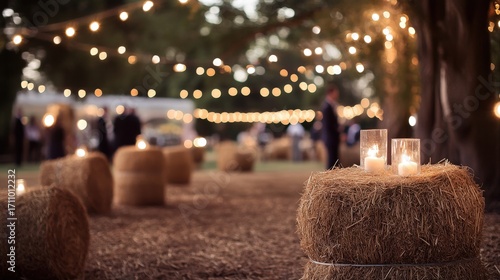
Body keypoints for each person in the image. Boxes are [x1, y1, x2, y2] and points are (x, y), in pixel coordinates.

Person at [321, 83, 341, 169]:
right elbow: (329, 124)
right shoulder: (327, 107)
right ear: (331, 93)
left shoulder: (332, 105)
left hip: (333, 138)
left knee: (334, 159)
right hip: (331, 137)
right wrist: (338, 130)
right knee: (331, 160)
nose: (337, 95)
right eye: (336, 92)